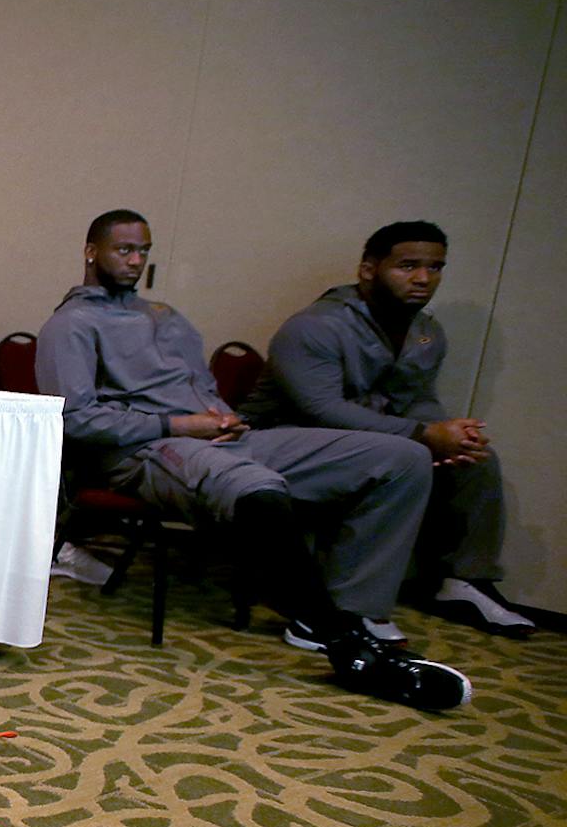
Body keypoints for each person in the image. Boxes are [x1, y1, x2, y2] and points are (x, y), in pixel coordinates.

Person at [36, 208, 471, 708]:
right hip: (149, 448)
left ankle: (352, 608)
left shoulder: (166, 317)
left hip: (226, 435)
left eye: (144, 252)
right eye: (124, 250)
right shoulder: (70, 324)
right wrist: (183, 425)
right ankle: (345, 642)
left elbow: (199, 388)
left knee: (401, 457)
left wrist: (220, 418)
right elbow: (77, 421)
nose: (136, 261)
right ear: (92, 252)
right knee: (252, 488)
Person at [244, 222, 532, 636]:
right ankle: (344, 611)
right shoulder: (315, 325)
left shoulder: (425, 332)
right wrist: (422, 435)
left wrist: (447, 434)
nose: (422, 279)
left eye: (435, 268)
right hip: (280, 438)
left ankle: (464, 580)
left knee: (472, 459)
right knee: (404, 456)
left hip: (365, 442)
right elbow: (322, 409)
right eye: (408, 266)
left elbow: (415, 397)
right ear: (368, 270)